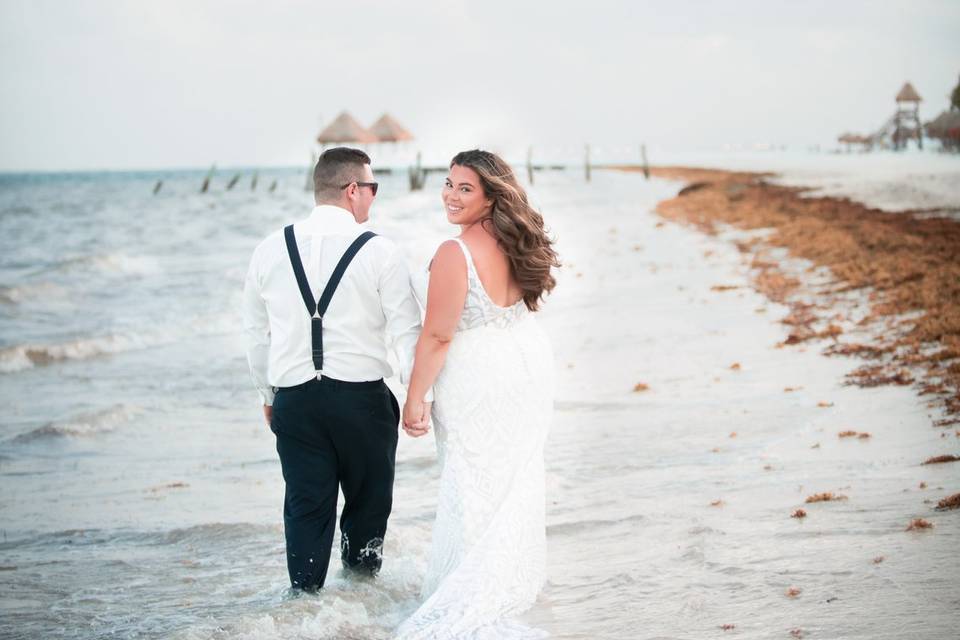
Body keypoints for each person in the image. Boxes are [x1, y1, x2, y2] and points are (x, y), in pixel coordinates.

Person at [241, 147, 428, 591]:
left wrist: (268, 396)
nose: (373, 197)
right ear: (352, 190)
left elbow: (254, 334)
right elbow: (407, 331)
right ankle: (361, 604)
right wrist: (418, 396)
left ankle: (304, 607)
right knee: (368, 505)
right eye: (372, 188)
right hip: (363, 402)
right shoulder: (380, 251)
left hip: (296, 401)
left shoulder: (269, 249)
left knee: (305, 508)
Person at [397, 149, 559, 637]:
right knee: (513, 477)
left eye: (465, 188)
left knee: (471, 480)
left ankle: (472, 588)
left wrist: (415, 397)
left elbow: (438, 335)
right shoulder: (516, 242)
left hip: (478, 378)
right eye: (448, 184)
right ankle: (511, 577)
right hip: (526, 365)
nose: (450, 195)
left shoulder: (456, 252)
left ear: (491, 197)